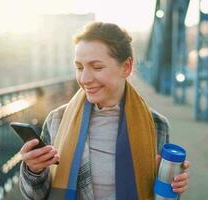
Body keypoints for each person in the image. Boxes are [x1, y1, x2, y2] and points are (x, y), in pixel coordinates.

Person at [19, 22, 190, 200]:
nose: (84, 79)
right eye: (79, 67)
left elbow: (162, 195)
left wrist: (174, 186)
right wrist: (34, 170)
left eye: (97, 67)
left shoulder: (156, 125)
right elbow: (35, 195)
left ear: (126, 67)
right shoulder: (57, 120)